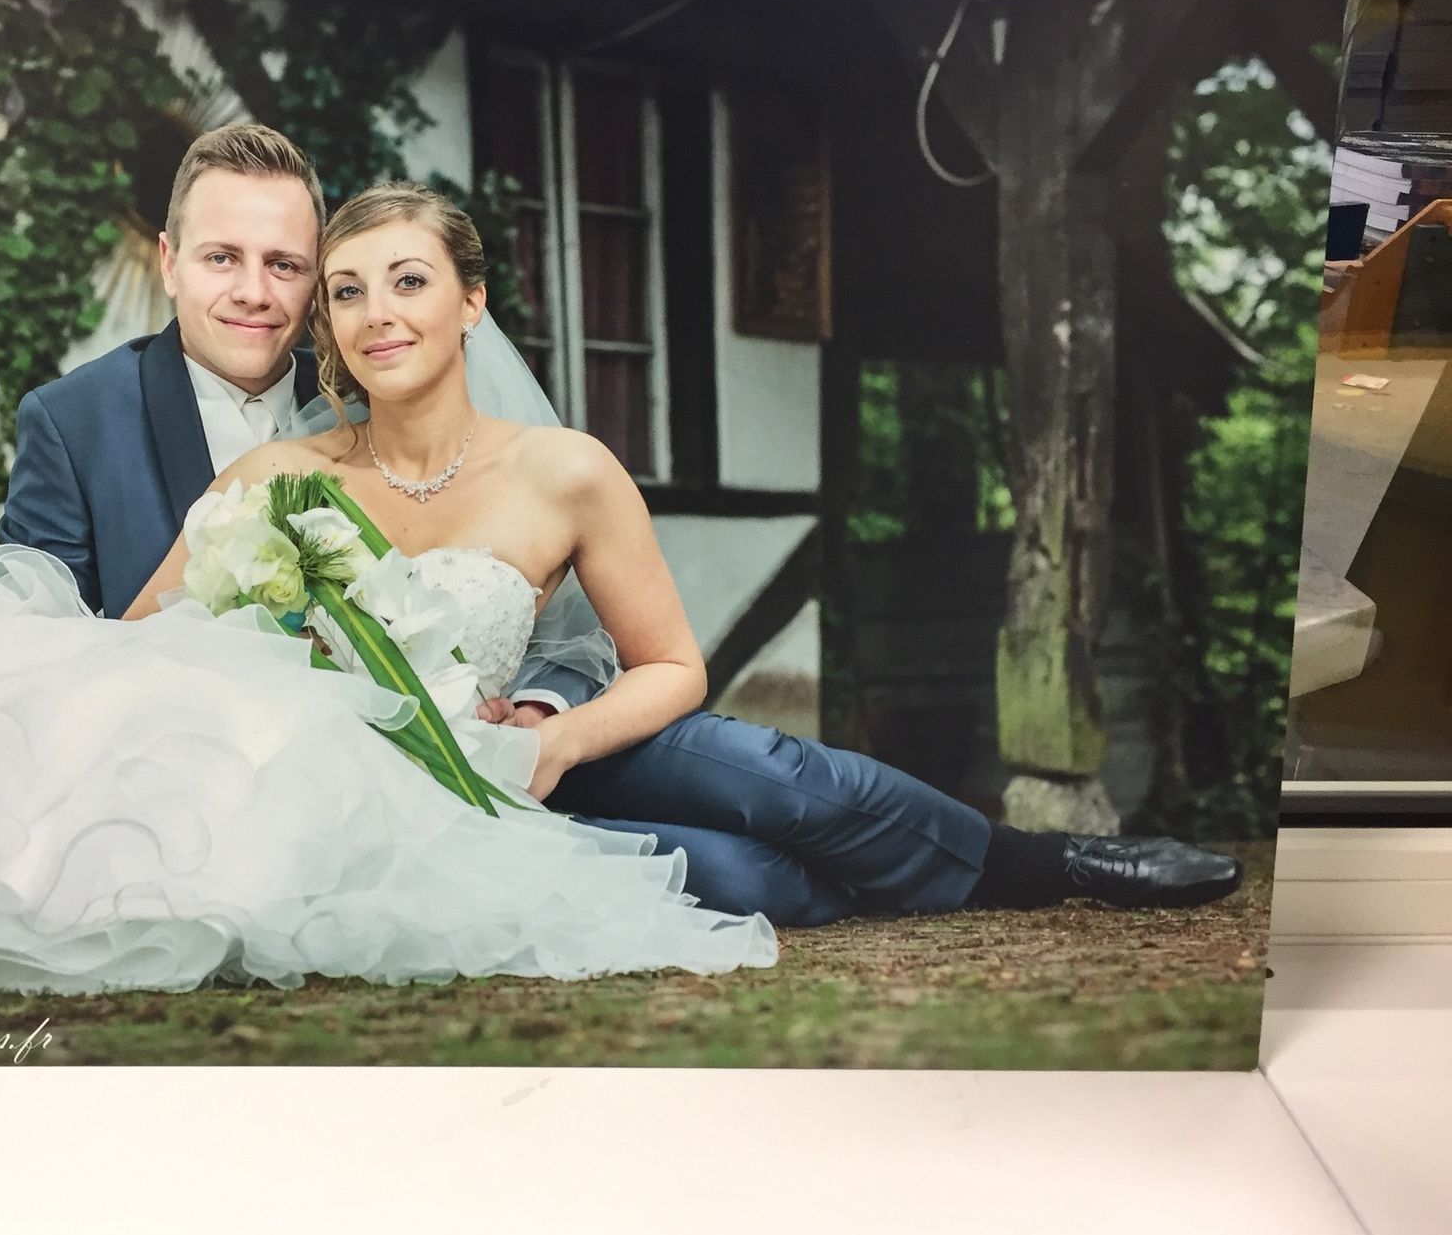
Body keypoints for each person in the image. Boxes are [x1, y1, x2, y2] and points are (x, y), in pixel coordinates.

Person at [127, 179, 1246, 930]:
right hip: (387, 804)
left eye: (409, 281)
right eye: (347, 291)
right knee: (742, 876)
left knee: (773, 777)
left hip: (550, 755)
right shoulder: (275, 485)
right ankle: (906, 885)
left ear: (471, 301)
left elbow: (671, 668)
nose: (379, 315)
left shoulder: (565, 471)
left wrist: (558, 740)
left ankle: (1052, 867)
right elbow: (135, 657)